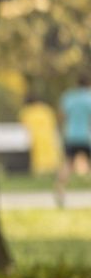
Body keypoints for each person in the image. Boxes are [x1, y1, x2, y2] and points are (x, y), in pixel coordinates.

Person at [55, 77, 91, 208]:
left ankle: (60, 191)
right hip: (87, 137)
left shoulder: (69, 97)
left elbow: (62, 116)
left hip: (71, 135)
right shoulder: (89, 98)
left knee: (67, 164)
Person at [18, 93, 58, 176]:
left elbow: (23, 124)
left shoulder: (26, 111)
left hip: (35, 136)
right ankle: (50, 170)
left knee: (37, 156)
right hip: (48, 135)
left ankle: (40, 172)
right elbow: (53, 122)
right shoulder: (46, 109)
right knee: (50, 155)